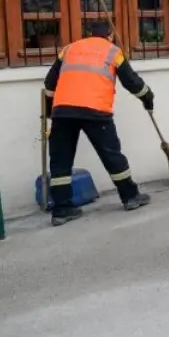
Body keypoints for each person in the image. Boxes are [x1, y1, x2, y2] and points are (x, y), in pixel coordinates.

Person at [42, 24, 155, 226]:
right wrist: (147, 96)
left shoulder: (69, 49)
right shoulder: (113, 52)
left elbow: (49, 85)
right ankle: (130, 197)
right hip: (96, 111)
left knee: (60, 161)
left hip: (63, 111)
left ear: (89, 35)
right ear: (110, 35)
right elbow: (131, 81)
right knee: (111, 155)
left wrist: (51, 112)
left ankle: (62, 210)